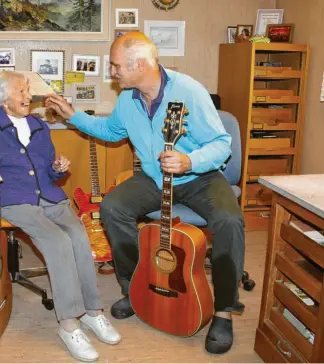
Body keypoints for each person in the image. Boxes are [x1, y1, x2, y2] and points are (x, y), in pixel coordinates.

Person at [45, 31, 245, 355]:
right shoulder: (128, 100)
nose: (112, 72)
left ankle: (224, 311)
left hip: (200, 175)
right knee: (112, 207)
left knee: (229, 220)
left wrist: (189, 160)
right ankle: (134, 287)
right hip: (155, 177)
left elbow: (222, 145)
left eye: (115, 66)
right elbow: (109, 131)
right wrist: (73, 116)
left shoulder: (189, 92)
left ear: (138, 64)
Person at [0, 71, 121, 362]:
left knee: (78, 236)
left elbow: (48, 169)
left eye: (28, 90)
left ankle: (92, 311)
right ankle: (68, 324)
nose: (28, 96)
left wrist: (58, 168)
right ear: (3, 99)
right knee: (58, 241)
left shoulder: (38, 125)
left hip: (48, 195)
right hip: (12, 198)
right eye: (21, 91)